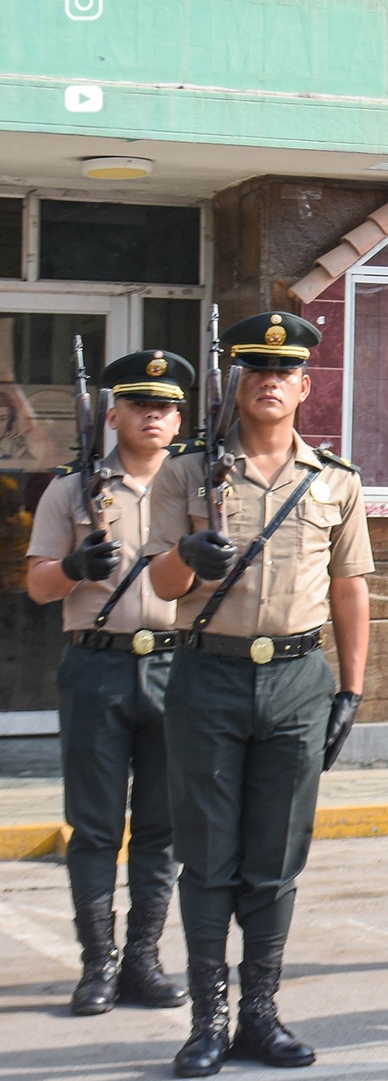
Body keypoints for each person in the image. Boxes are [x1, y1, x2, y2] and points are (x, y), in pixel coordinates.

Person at [145, 311, 371, 1078]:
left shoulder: (335, 480)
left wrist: (350, 690)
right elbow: (160, 582)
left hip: (299, 680)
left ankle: (260, 1013)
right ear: (237, 382)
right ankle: (207, 1019)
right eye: (256, 370)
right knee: (208, 855)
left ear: (306, 386)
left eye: (285, 372)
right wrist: (187, 553)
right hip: (208, 672)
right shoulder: (185, 472)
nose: (270, 382)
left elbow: (349, 588)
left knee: (276, 856)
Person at [24, 349, 195, 1016]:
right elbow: (38, 585)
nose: (152, 415)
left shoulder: (199, 487)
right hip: (96, 664)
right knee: (94, 827)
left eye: (164, 405)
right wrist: (71, 565)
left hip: (174, 664)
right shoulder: (73, 487)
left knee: (161, 826)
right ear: (114, 412)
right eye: (139, 404)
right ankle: (98, 964)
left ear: (180, 417)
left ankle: (144, 960)